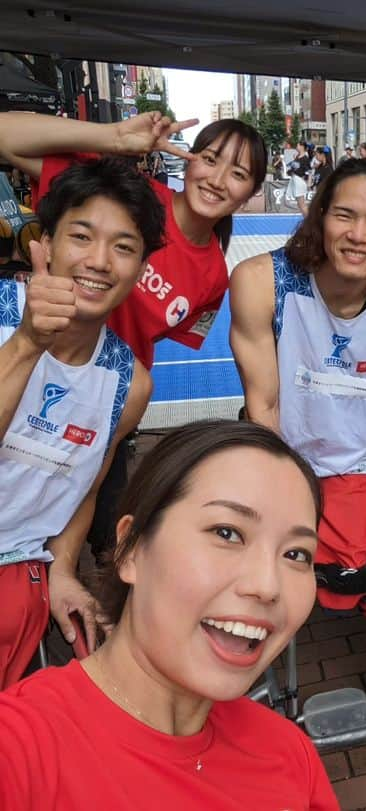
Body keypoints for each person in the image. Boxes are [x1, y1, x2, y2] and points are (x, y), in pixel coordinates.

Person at [0, 420, 338, 809]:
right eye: (227, 532)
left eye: (296, 554)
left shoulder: (290, 753)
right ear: (131, 549)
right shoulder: (22, 753)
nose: (268, 586)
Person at [0, 111, 267, 572]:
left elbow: (154, 339)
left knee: (105, 537)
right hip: (33, 364)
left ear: (252, 191)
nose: (219, 179)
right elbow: (6, 135)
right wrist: (114, 137)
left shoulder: (213, 279)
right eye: (209, 159)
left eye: (239, 174)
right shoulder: (123, 202)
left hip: (104, 407)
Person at [230, 158, 366, 613]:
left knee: (355, 578)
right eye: (344, 215)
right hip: (285, 449)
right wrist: (285, 482)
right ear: (320, 217)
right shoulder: (261, 282)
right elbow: (261, 402)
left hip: (357, 460)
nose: (359, 235)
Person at [0, 158, 161, 686]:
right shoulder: (4, 317)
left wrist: (63, 567)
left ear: (140, 269)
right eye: (82, 237)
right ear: (44, 244)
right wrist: (27, 344)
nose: (99, 262)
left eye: (123, 247)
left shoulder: (128, 384)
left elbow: (83, 484)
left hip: (18, 581)